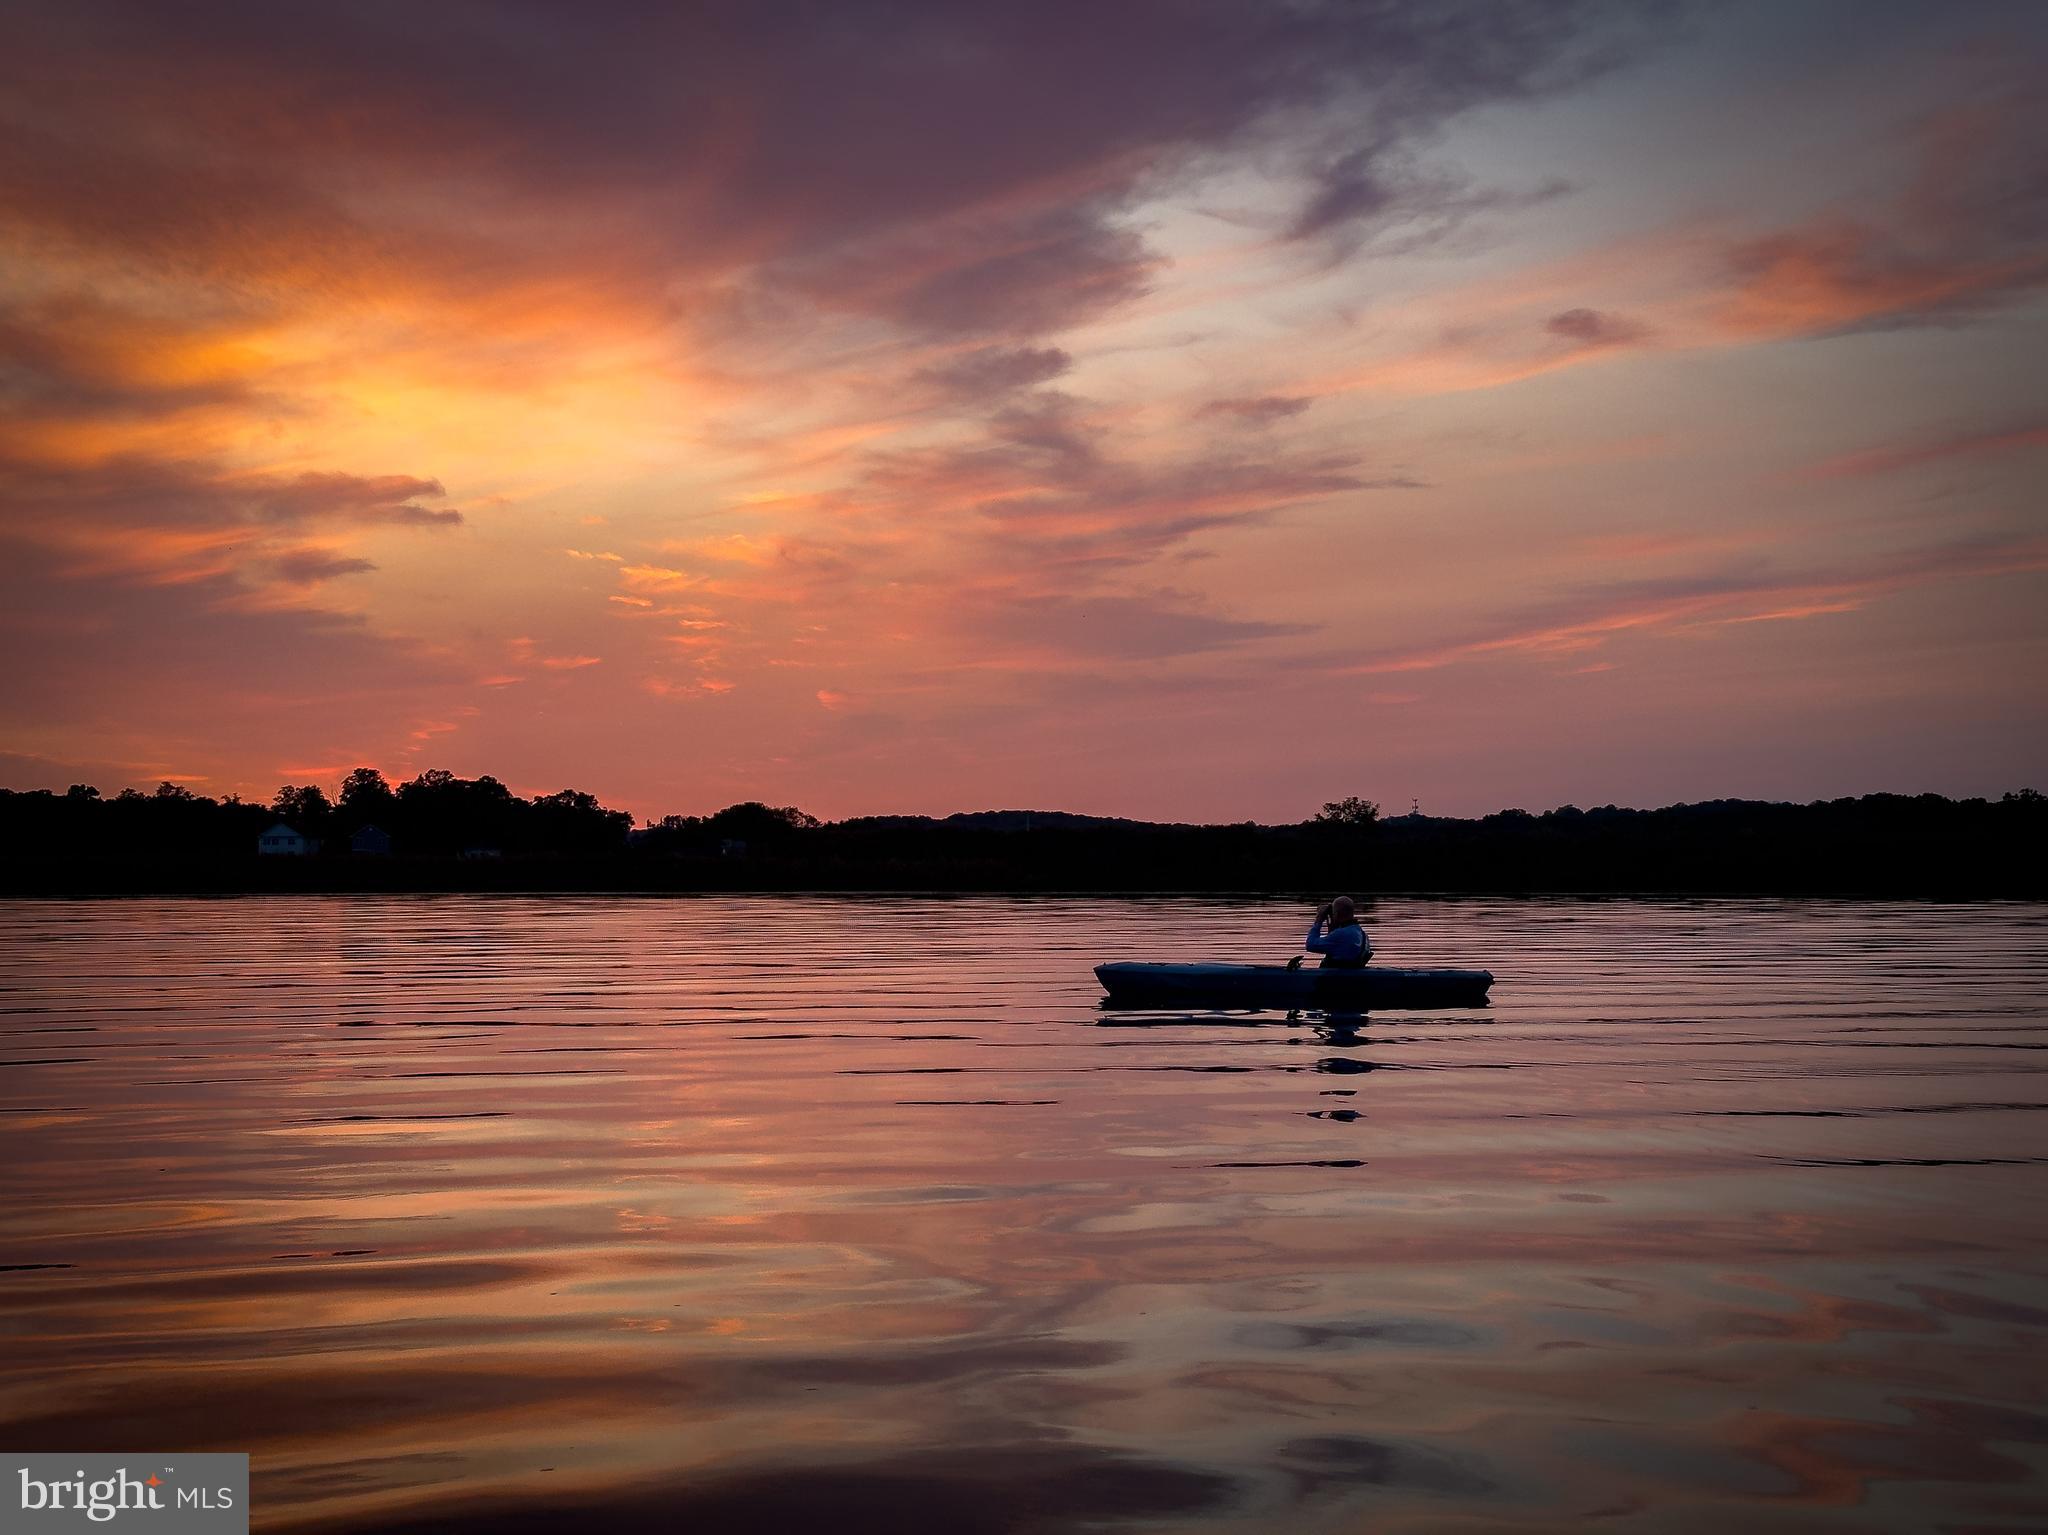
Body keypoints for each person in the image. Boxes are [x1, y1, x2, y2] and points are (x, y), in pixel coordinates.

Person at [1294, 895, 1371, 970]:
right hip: (1351, 977)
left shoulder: (1341, 934)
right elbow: (1338, 949)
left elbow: (1310, 945)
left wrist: (1319, 919)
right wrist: (1332, 928)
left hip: (1334, 979)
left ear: (1337, 913)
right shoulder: (1363, 935)